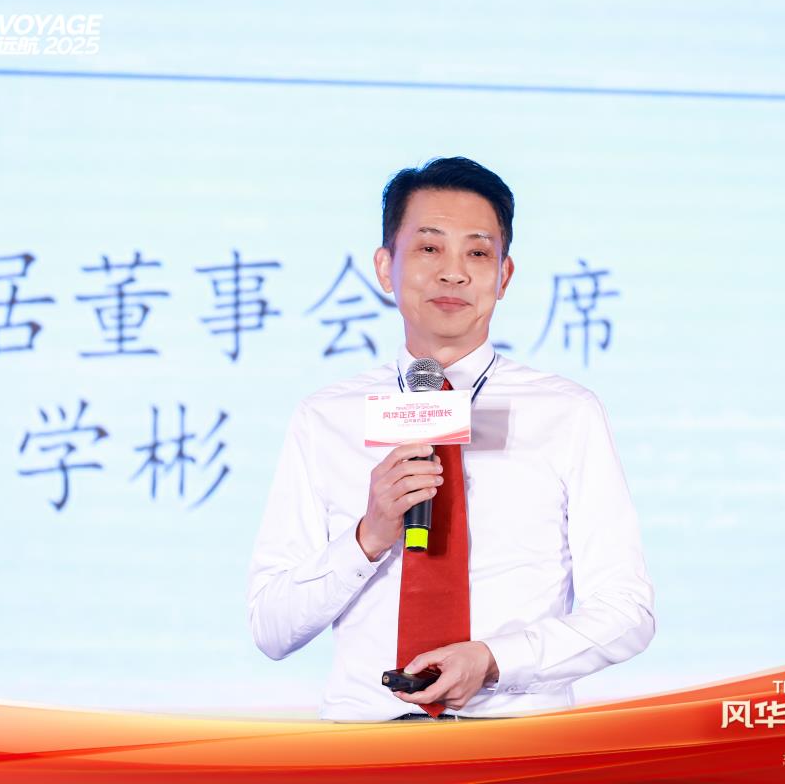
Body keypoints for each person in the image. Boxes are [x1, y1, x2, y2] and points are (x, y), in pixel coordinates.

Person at [247, 156, 654, 721]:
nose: (453, 273)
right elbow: (271, 628)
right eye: (429, 248)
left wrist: (496, 660)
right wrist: (369, 536)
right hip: (365, 745)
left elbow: (627, 612)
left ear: (504, 276)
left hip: (515, 740)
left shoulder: (566, 414)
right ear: (385, 267)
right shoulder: (327, 418)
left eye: (478, 253)